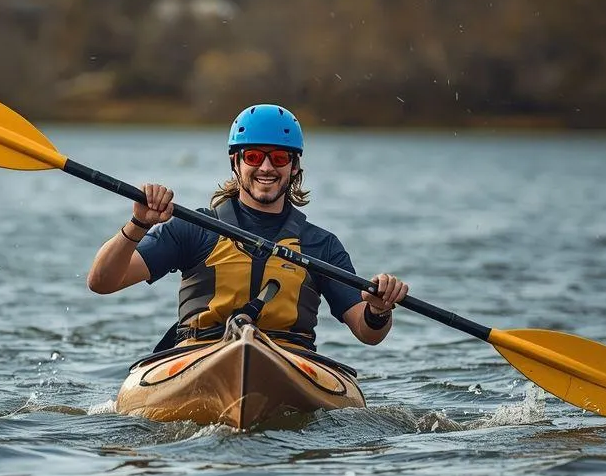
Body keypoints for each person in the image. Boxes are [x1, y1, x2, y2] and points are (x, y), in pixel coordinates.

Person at [87, 104, 408, 352]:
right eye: (253, 157)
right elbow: (102, 282)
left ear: (295, 167)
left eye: (279, 158)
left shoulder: (320, 244)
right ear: (236, 162)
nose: (266, 167)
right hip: (199, 354)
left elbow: (367, 333)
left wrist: (378, 310)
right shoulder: (193, 229)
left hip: (289, 359)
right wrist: (139, 224)